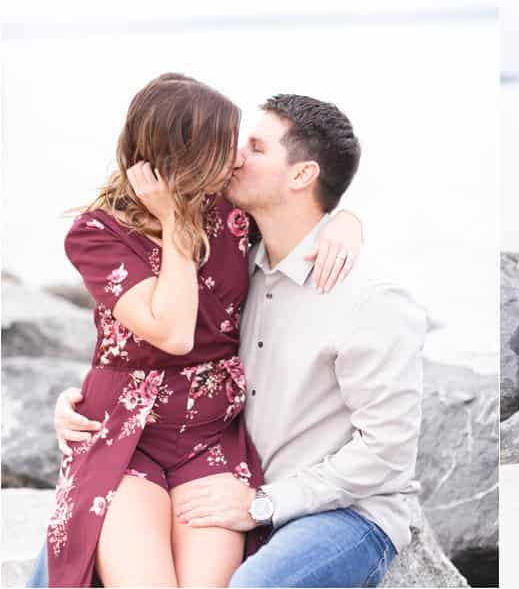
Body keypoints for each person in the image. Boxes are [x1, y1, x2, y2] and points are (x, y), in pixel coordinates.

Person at [36, 92, 425, 588]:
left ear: (301, 175)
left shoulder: (366, 297)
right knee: (62, 558)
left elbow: (389, 452)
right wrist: (79, 399)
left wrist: (348, 222)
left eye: (255, 147)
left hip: (334, 504)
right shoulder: (245, 246)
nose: (235, 155)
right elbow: (153, 335)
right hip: (189, 460)